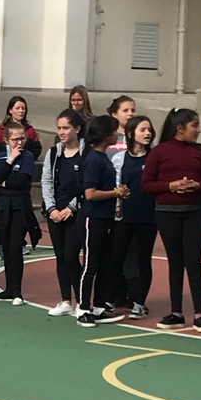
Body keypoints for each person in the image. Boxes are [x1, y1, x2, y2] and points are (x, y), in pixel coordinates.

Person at [142, 107, 201, 331]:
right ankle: (176, 313)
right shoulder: (160, 151)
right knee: (175, 261)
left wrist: (197, 186)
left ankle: (200, 314)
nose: (198, 130)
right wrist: (170, 186)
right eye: (195, 126)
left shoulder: (200, 151)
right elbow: (146, 184)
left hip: (194, 212)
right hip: (166, 213)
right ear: (180, 128)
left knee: (193, 261)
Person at [75, 115, 127, 327]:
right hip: (93, 218)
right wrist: (115, 193)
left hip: (105, 217)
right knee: (91, 264)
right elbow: (90, 194)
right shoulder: (94, 160)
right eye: (114, 131)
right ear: (107, 135)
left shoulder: (101, 157)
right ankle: (83, 308)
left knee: (105, 263)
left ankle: (98, 306)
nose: (117, 134)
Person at [109, 115, 157, 319]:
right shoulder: (120, 159)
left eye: (149, 130)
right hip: (124, 217)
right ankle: (110, 298)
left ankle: (139, 302)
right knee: (116, 257)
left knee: (143, 260)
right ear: (130, 133)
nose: (147, 133)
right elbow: (117, 186)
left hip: (148, 217)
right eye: (142, 130)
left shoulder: (154, 157)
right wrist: (117, 206)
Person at [41, 109, 86, 317]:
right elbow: (46, 181)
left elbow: (86, 185)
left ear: (77, 128)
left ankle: (81, 301)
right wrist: (51, 209)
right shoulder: (54, 153)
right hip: (56, 213)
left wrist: (71, 208)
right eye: (59, 128)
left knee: (71, 256)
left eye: (66, 128)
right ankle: (66, 300)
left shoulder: (86, 153)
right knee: (60, 257)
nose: (61, 132)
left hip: (76, 213)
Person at [0, 121, 39, 305]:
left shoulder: (28, 157)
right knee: (6, 248)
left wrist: (4, 183)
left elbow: (22, 182)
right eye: (15, 139)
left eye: (22, 138)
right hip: (3, 206)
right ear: (6, 140)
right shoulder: (1, 157)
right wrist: (10, 160)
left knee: (16, 248)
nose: (20, 142)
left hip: (19, 207)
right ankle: (8, 289)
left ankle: (17, 291)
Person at [0, 95, 42, 161]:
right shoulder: (1, 130)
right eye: (17, 108)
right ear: (10, 110)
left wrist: (26, 158)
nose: (21, 111)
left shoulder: (30, 130)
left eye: (23, 108)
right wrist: (5, 158)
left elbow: (36, 148)